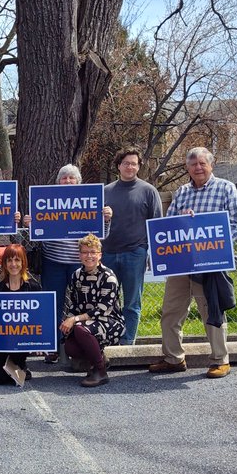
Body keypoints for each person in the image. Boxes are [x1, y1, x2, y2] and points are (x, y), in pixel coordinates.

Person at [149, 146, 237, 379]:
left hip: (209, 264)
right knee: (171, 311)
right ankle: (174, 358)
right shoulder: (182, 192)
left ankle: (220, 360)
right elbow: (169, 223)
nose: (198, 168)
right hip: (181, 263)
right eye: (193, 164)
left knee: (211, 310)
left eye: (202, 163)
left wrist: (213, 245)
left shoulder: (225, 188)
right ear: (187, 168)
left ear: (211, 165)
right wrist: (184, 219)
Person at [27, 162, 113, 364]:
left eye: (71, 178)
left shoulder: (89, 202)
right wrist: (31, 224)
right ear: (58, 182)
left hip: (79, 266)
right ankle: (53, 347)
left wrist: (106, 219)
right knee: (53, 306)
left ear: (78, 182)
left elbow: (102, 236)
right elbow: (36, 238)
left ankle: (85, 344)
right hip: (53, 263)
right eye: (63, 178)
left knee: (82, 306)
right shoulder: (47, 202)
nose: (67, 181)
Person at [103, 149, 162, 344]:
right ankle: (110, 339)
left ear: (138, 166)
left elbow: (157, 225)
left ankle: (128, 343)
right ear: (118, 165)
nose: (130, 167)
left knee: (131, 303)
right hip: (108, 254)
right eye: (126, 163)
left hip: (135, 254)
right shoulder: (105, 192)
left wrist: (153, 256)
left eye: (134, 163)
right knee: (107, 302)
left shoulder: (148, 191)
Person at [0, 243, 42, 387]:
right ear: (4, 263)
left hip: (23, 340)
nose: (13, 264)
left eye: (17, 260)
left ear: (23, 263)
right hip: (3, 341)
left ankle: (19, 365)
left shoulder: (33, 288)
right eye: (9, 260)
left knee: (11, 370)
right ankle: (18, 369)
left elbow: (39, 317)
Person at [60, 234, 123, 387]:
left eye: (93, 252)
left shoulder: (108, 277)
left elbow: (102, 309)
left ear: (100, 255)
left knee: (81, 330)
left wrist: (74, 320)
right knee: (70, 346)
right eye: (85, 252)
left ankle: (100, 372)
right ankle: (99, 358)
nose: (89, 256)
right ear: (79, 255)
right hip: (86, 323)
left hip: (110, 322)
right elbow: (73, 305)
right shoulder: (76, 276)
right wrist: (67, 323)